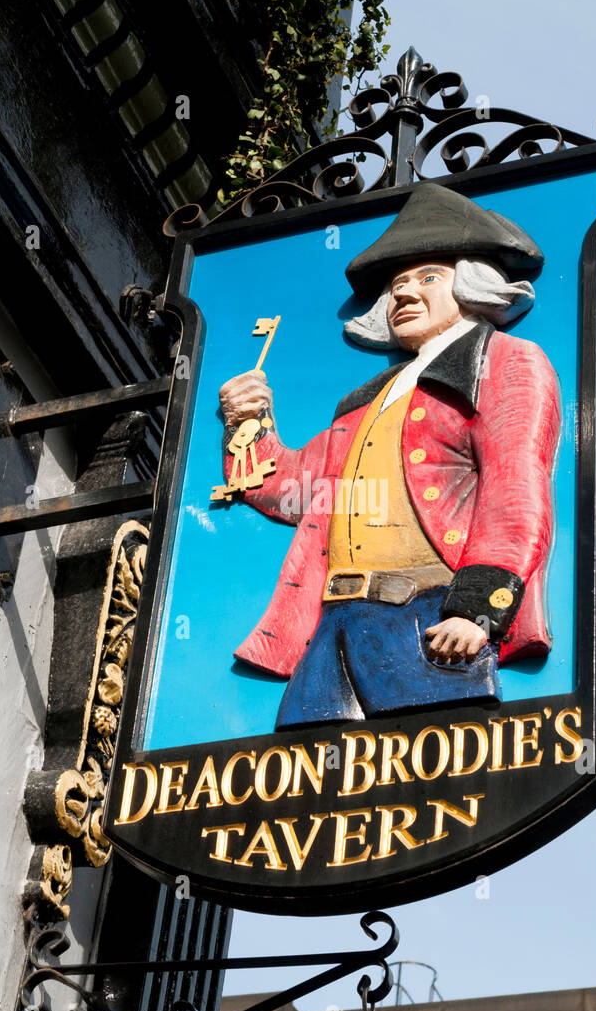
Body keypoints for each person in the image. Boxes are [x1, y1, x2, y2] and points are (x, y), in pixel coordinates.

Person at [217, 182, 561, 727]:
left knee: (442, 774)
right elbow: (288, 491)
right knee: (308, 787)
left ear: (471, 283)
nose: (403, 294)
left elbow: (514, 489)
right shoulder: (366, 401)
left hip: (431, 617)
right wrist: (250, 421)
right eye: (397, 285)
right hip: (333, 622)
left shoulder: (507, 362)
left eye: (428, 278)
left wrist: (477, 610)